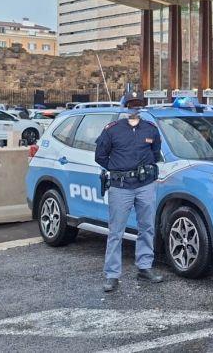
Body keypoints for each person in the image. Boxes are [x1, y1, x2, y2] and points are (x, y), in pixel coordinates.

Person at [94, 92, 164, 292]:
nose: (134, 109)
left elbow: (155, 154)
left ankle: (144, 267)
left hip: (145, 185)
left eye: (138, 106)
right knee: (116, 232)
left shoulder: (150, 129)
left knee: (147, 228)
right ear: (124, 108)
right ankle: (112, 275)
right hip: (121, 186)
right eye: (131, 106)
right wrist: (118, 168)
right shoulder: (112, 130)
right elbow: (100, 156)